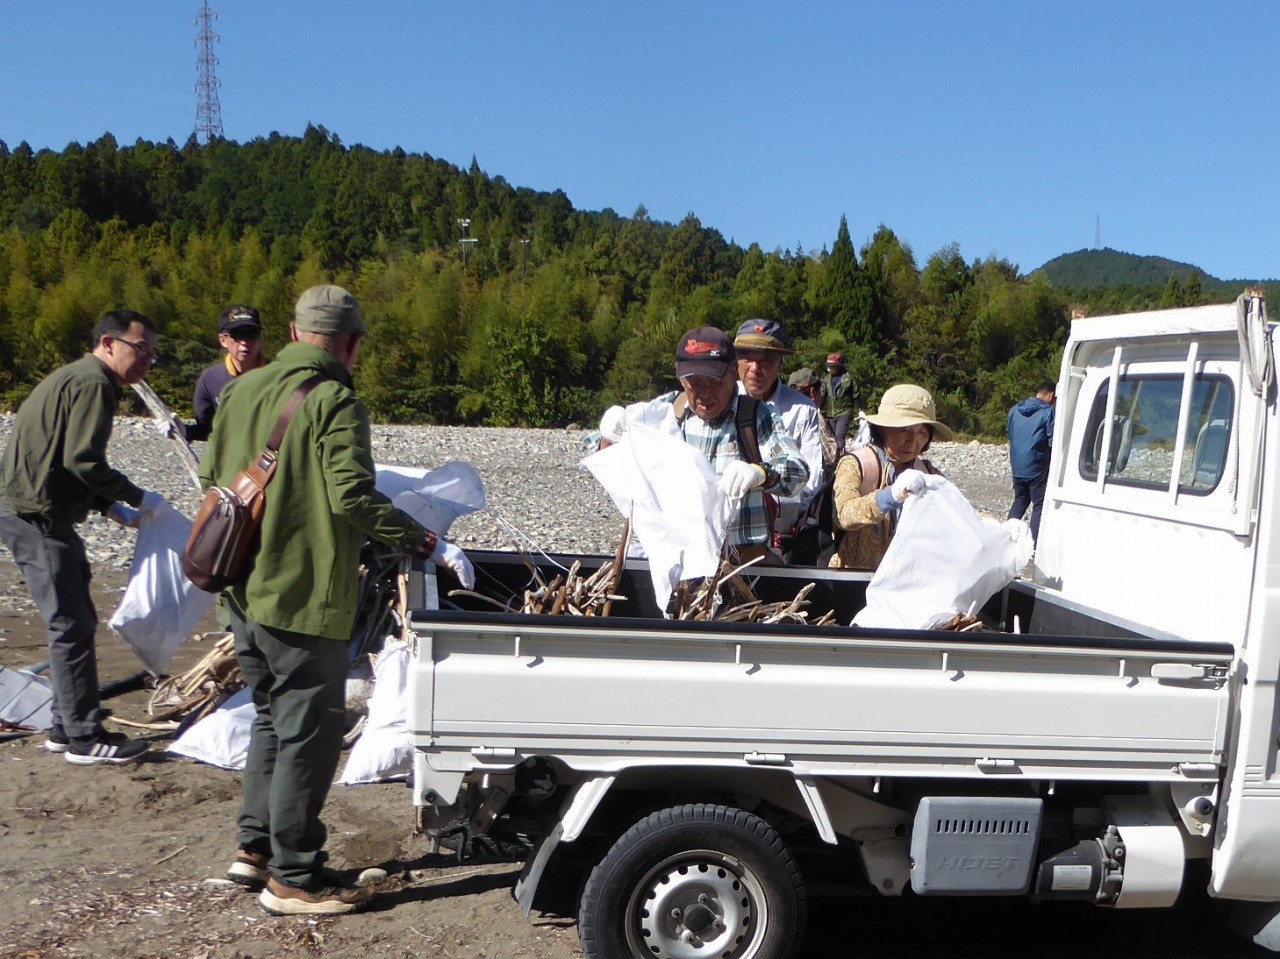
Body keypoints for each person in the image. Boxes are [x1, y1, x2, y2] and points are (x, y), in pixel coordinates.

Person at [200, 284, 475, 916]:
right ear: (350, 345)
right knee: (309, 733)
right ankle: (294, 878)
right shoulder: (334, 402)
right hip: (299, 595)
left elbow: (215, 475)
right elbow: (351, 494)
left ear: (295, 334)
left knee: (271, 717)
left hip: (239, 586)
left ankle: (256, 850)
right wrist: (426, 540)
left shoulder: (239, 390)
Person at [0, 310, 167, 765]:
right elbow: (83, 460)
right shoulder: (95, 384)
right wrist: (138, 495)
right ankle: (82, 737)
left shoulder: (76, 377)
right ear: (109, 343)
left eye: (153, 353)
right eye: (140, 349)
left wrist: (108, 507)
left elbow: (56, 458)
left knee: (75, 619)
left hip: (30, 510)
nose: (147, 360)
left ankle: (63, 722)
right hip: (37, 518)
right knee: (70, 626)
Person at [598, 326, 809, 564]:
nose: (704, 393)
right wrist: (608, 434)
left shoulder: (755, 416)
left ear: (732, 373)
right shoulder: (668, 413)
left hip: (744, 564)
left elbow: (798, 471)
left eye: (714, 381)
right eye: (694, 383)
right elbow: (605, 455)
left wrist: (761, 473)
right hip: (680, 562)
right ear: (681, 378)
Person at [829, 384, 952, 571]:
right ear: (882, 429)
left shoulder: (927, 472)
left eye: (921, 433)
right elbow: (844, 514)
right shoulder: (856, 464)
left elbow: (954, 509)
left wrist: (994, 527)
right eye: (904, 430)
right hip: (852, 577)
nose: (912, 441)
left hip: (904, 581)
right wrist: (891, 496)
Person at [732, 319, 825, 564]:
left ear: (780, 363)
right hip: (733, 535)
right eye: (747, 359)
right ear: (735, 362)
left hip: (786, 535)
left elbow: (813, 478)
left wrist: (789, 522)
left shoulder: (803, 410)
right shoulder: (721, 403)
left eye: (765, 361)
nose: (755, 368)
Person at [179, 305, 268, 442]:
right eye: (237, 334)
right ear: (223, 340)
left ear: (260, 340)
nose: (244, 342)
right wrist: (184, 431)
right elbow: (207, 429)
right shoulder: (210, 380)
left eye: (252, 334)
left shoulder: (280, 377)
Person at [1007, 381, 1057, 544]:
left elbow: (1010, 434)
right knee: (1039, 505)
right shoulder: (1048, 412)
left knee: (1020, 500)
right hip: (1036, 467)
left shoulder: (1014, 410)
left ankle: (1006, 537)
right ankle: (1034, 546)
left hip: (1017, 465)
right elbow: (1053, 441)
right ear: (1051, 396)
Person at [820, 353, 859, 453]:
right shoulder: (826, 379)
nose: (829, 369)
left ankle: (841, 458)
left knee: (839, 436)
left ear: (837, 366)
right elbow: (823, 395)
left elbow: (856, 394)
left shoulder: (848, 378)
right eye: (828, 366)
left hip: (844, 412)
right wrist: (818, 408)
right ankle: (835, 459)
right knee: (832, 438)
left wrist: (859, 410)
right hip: (831, 413)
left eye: (831, 367)